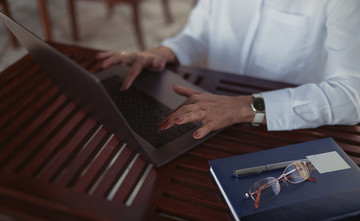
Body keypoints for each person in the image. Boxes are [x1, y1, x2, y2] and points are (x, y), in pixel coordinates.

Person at [96, 0, 360, 140]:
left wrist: (242, 107)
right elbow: (198, 35)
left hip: (287, 127)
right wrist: (162, 52)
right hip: (211, 109)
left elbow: (351, 95)